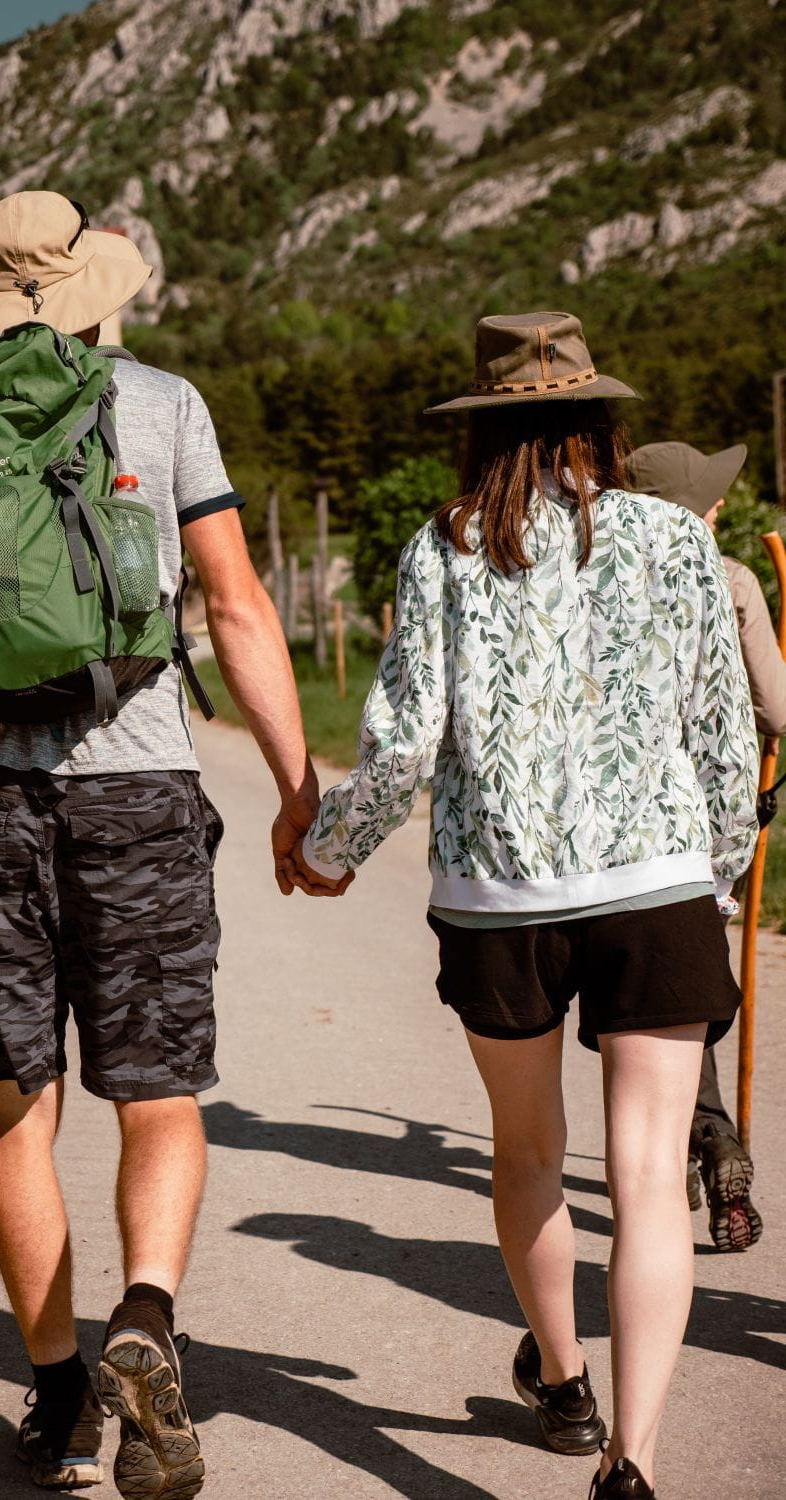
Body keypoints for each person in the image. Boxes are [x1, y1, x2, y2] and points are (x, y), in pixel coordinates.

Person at [0, 190, 319, 1496]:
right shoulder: (163, 405)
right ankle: (147, 1317)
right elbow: (236, 604)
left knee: (19, 1106)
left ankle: (58, 1394)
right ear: (87, 288)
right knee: (157, 1094)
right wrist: (298, 789)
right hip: (141, 790)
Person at [291, 313, 760, 1499]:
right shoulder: (675, 539)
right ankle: (633, 1460)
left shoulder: (445, 544)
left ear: (481, 429)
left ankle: (562, 1382)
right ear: (599, 418)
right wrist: (714, 873)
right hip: (656, 888)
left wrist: (330, 850)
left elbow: (405, 746)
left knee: (529, 1152)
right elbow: (722, 733)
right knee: (648, 1177)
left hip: (501, 899)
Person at [627, 440, 786, 1253]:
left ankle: (700, 1135)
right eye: (711, 497)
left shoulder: (591, 575)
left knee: (642, 1002)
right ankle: (709, 1136)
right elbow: (778, 708)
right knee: (687, 987)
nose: (722, 503)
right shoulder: (731, 580)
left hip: (614, 823)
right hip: (710, 818)